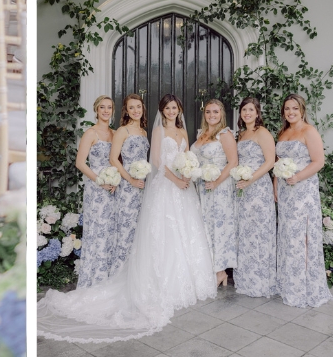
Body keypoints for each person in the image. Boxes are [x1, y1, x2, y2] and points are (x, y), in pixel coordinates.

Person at [38, 94, 217, 342]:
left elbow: (184, 158)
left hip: (178, 190)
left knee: (176, 233)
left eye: (174, 107)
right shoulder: (145, 132)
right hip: (155, 186)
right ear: (160, 111)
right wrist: (137, 179)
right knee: (149, 232)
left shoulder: (164, 132)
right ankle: (111, 278)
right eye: (167, 108)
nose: (171, 111)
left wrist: (187, 173)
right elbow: (153, 162)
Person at [275, 93, 330, 308]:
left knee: (302, 236)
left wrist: (297, 177)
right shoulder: (283, 132)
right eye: (287, 109)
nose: (290, 112)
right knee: (288, 235)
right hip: (285, 190)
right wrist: (275, 185)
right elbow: (278, 162)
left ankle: (304, 287)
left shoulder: (309, 131)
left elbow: (319, 162)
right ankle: (289, 284)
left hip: (303, 190)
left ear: (302, 110)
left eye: (294, 109)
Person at [234, 96, 277, 298]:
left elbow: (269, 162)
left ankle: (261, 280)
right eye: (244, 110)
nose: (247, 113)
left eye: (251, 110)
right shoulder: (241, 135)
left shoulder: (263, 133)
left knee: (259, 231)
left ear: (257, 112)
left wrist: (250, 179)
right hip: (243, 189)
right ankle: (246, 279)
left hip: (258, 187)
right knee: (246, 232)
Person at [193, 97, 237, 287]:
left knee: (217, 228)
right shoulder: (200, 134)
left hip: (219, 188)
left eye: (215, 112)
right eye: (208, 112)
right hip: (202, 188)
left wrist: (217, 182)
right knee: (204, 227)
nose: (212, 115)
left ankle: (221, 271)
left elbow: (233, 162)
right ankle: (209, 268)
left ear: (222, 114)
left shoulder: (225, 134)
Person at [75, 95, 118, 287]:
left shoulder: (116, 133)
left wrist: (116, 180)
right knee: (97, 231)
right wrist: (99, 181)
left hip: (113, 190)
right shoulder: (90, 133)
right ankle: (95, 279)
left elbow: (117, 161)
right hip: (96, 189)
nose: (106, 111)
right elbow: (80, 163)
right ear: (96, 110)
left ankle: (109, 277)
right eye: (102, 107)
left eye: (109, 107)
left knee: (110, 231)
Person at [108, 93, 148, 275]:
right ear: (126, 110)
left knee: (139, 230)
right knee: (126, 229)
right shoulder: (122, 131)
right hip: (127, 187)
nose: (135, 110)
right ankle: (120, 274)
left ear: (142, 108)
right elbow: (113, 159)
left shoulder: (144, 132)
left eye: (138, 106)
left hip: (143, 187)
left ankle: (135, 275)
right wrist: (130, 179)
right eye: (131, 107)